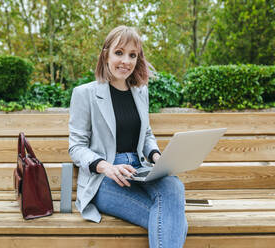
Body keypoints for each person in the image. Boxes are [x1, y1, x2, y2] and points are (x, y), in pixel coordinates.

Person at [68, 25, 188, 247]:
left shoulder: (140, 91)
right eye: (119, 53)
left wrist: (156, 157)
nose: (126, 61)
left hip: (140, 170)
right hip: (105, 178)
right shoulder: (85, 94)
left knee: (174, 187)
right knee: (171, 219)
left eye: (133, 55)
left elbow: (147, 134)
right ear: (106, 54)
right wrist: (107, 167)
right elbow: (76, 148)